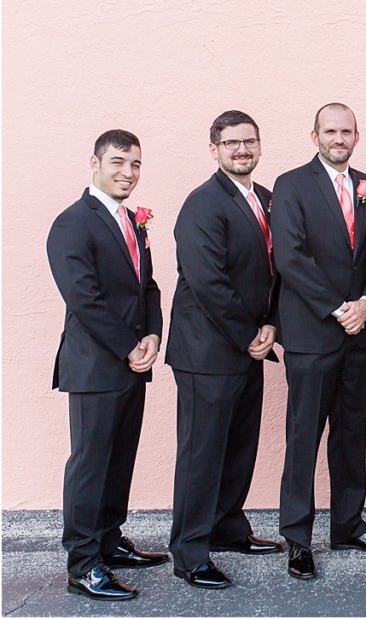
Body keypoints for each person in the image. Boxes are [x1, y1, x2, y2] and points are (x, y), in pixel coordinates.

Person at [46, 129, 167, 601]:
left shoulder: (133, 221)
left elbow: (148, 286)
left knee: (120, 459)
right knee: (90, 464)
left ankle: (110, 541)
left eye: (135, 164)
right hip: (96, 366)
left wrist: (154, 333)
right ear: (94, 163)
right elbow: (84, 298)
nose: (128, 172)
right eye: (118, 162)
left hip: (131, 362)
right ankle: (82, 563)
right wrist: (128, 347)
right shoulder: (72, 223)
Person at [271, 103, 366, 581]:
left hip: (358, 333)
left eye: (346, 131)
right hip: (312, 333)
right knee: (303, 436)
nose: (338, 138)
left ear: (357, 136)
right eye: (330, 130)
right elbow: (292, 258)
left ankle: (348, 524)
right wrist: (338, 307)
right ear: (314, 134)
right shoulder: (291, 185)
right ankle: (297, 537)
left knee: (350, 432)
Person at [165, 110, 283, 590]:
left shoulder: (267, 200)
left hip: (247, 345)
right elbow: (208, 281)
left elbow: (279, 270)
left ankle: (227, 528)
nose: (242, 150)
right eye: (232, 143)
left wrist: (272, 323)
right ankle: (190, 552)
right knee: (202, 452)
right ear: (214, 149)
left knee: (238, 446)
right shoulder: (202, 204)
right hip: (207, 352)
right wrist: (248, 333)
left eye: (249, 142)